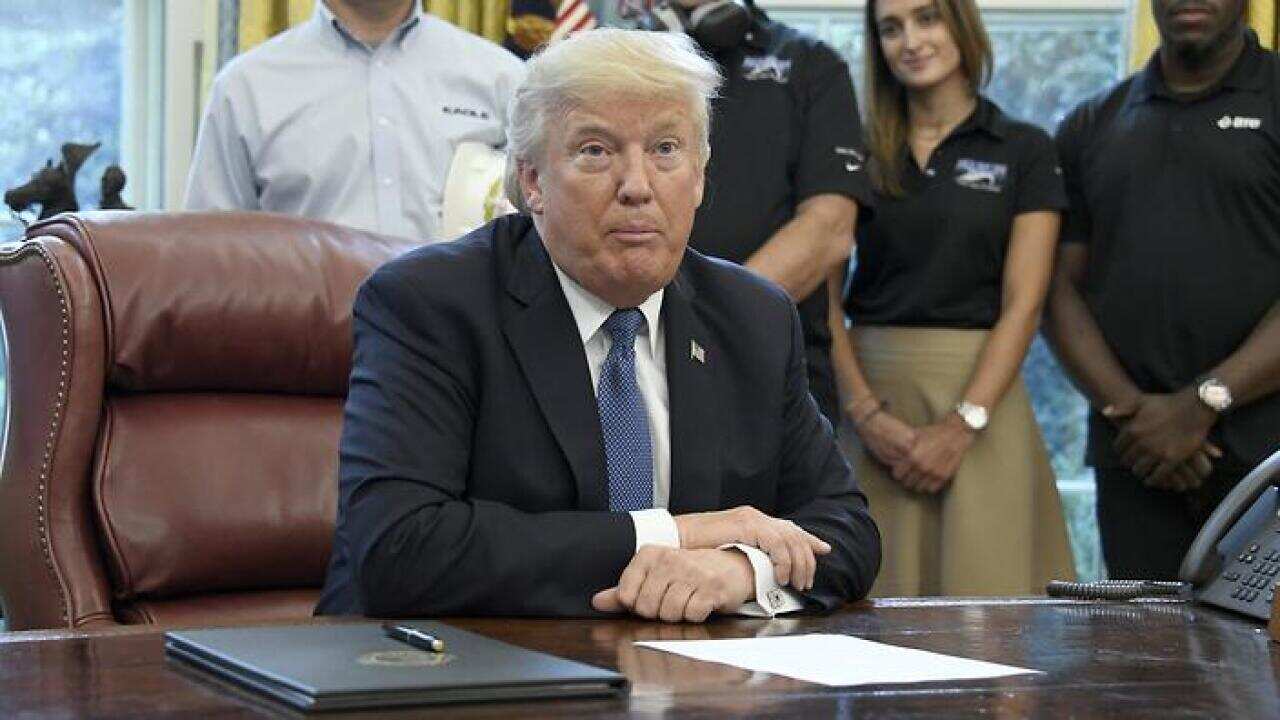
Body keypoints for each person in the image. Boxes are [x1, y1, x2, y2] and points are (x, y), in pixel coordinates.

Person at [315, 29, 881, 622]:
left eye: (666, 149)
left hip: (678, 667)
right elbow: (401, 547)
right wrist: (674, 537)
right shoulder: (429, 304)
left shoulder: (752, 316)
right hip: (463, 664)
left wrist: (741, 568)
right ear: (532, 181)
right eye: (595, 151)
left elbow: (847, 528)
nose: (637, 186)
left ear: (699, 176)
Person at [830, 0, 1076, 596]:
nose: (911, 41)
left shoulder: (1024, 148)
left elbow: (1025, 302)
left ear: (961, 25)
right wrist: (866, 415)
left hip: (982, 400)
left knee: (988, 609)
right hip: (871, 398)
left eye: (927, 19)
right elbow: (823, 298)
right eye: (891, 29)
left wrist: (963, 424)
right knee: (865, 607)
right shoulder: (855, 151)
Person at [1048, 0, 1280, 580]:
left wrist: (1200, 404)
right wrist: (1139, 416)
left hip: (1267, 455)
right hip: (1135, 456)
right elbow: (1057, 290)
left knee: (1263, 638)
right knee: (1140, 636)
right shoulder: (1092, 122)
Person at [656, 0, 874, 427]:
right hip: (638, 361)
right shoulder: (624, 63)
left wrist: (699, 329)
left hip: (775, 370)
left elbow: (829, 228)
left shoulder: (812, 62)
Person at [184, 0, 525, 241]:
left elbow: (537, 227)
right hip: (304, 319)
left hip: (461, 319)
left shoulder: (502, 78)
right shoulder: (244, 87)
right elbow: (212, 252)